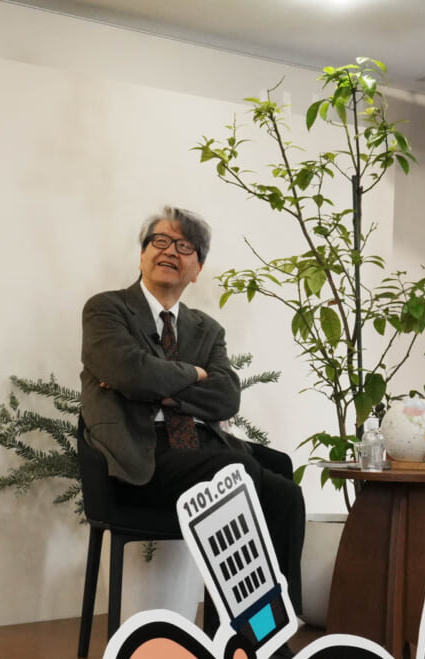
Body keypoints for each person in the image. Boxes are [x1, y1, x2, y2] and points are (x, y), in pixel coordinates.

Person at [80, 206, 305, 627]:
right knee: (233, 471)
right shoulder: (106, 310)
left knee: (285, 495)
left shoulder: (207, 329)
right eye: (160, 241)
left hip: (200, 451)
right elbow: (129, 370)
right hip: (140, 460)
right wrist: (194, 374)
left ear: (197, 269)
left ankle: (269, 632)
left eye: (184, 247)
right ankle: (235, 637)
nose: (170, 251)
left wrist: (158, 387)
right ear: (143, 254)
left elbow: (226, 397)